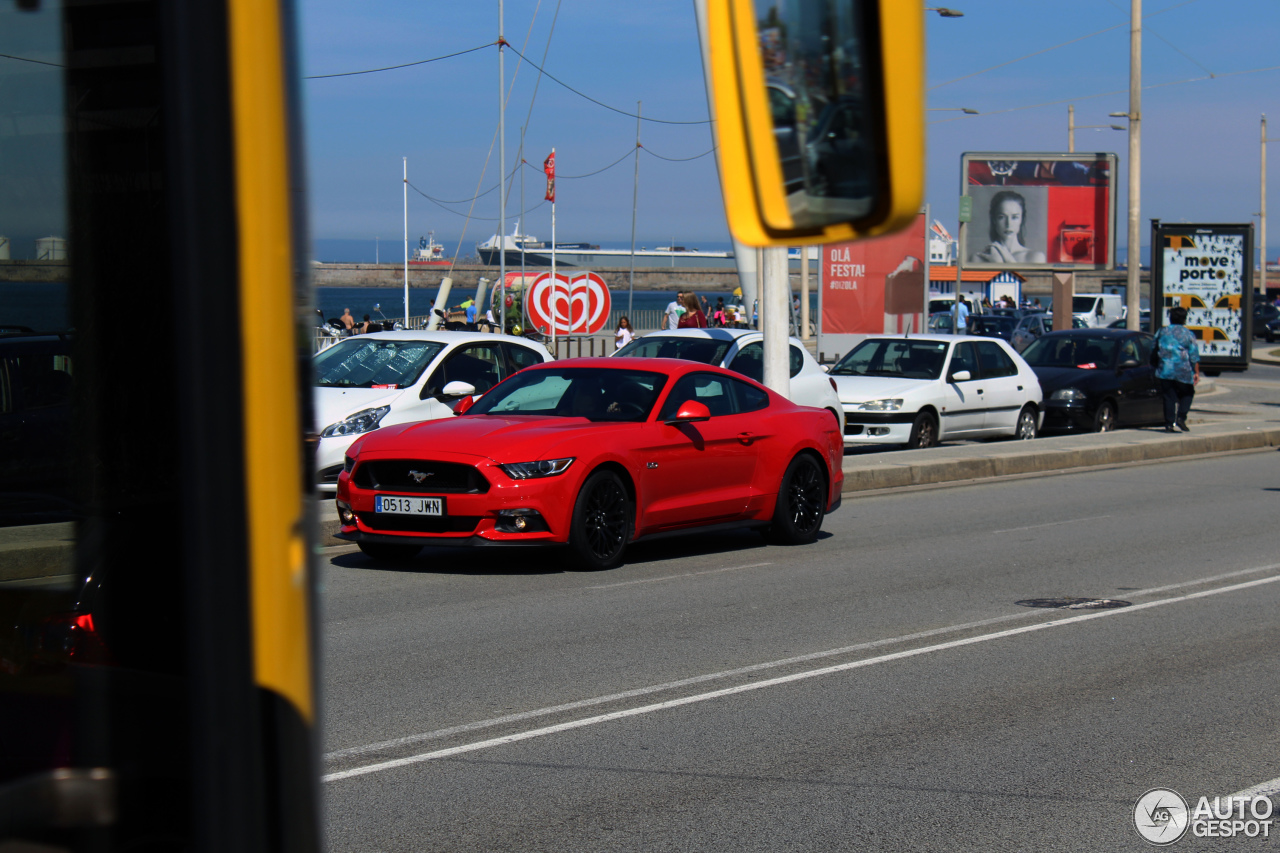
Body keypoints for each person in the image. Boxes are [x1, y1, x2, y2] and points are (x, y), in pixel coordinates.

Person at [1153, 305, 1200, 432]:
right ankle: (1181, 417)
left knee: (1168, 397)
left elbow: (1154, 348)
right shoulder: (1188, 334)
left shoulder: (1162, 332)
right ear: (1184, 319)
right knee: (1188, 393)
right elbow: (1193, 355)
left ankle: (1169, 423)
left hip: (1165, 370)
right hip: (1182, 371)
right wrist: (1196, 372)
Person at [970, 190, 1046, 264]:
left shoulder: (1035, 258)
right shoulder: (977, 259)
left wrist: (1006, 262)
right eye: (1001, 217)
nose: (1008, 224)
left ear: (1021, 219)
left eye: (1014, 217)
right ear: (994, 220)